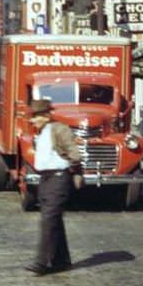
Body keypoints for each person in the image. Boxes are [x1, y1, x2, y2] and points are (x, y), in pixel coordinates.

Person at [25, 98, 83, 276]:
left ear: (45, 116)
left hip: (58, 178)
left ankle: (41, 262)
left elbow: (74, 153)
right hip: (46, 179)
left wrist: (74, 167)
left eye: (35, 117)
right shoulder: (42, 133)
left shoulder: (59, 129)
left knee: (48, 220)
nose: (32, 121)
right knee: (54, 220)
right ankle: (61, 261)